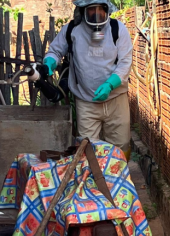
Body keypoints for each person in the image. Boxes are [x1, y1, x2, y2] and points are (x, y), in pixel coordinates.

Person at [43, 0, 133, 161]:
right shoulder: (72, 30)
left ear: (107, 9)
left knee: (121, 147)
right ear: (83, 10)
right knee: (87, 150)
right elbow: (55, 51)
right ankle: (93, 184)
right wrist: (49, 62)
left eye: (101, 9)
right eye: (92, 9)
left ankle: (117, 183)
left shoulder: (118, 29)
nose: (97, 14)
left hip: (116, 100)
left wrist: (109, 84)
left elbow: (125, 62)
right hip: (86, 102)